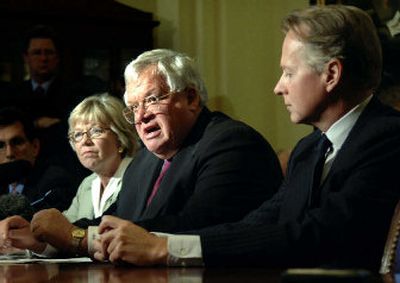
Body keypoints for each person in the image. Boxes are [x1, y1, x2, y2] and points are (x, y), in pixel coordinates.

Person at [86, 5, 400, 270]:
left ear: (331, 75)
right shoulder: (308, 150)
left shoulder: (388, 138)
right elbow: (258, 224)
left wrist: (165, 248)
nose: (279, 87)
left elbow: (319, 234)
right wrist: (163, 245)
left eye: (289, 73)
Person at [0, 49, 282, 257]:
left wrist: (75, 236)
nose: (141, 116)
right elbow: (114, 219)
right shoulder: (146, 160)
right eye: (133, 107)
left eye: (152, 99)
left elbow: (194, 226)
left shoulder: (231, 143)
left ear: (191, 98)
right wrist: (41, 238)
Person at [0, 107, 78, 211]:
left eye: (17, 142)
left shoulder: (55, 180)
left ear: (35, 146)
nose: (9, 153)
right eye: (1, 146)